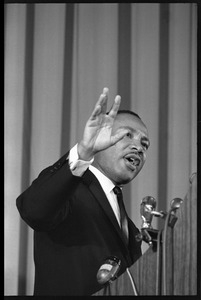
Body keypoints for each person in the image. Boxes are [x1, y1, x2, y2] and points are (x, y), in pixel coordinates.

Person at [16, 87, 150, 296]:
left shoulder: (131, 229)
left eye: (145, 144)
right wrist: (84, 151)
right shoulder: (69, 188)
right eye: (127, 135)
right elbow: (33, 210)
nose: (139, 147)